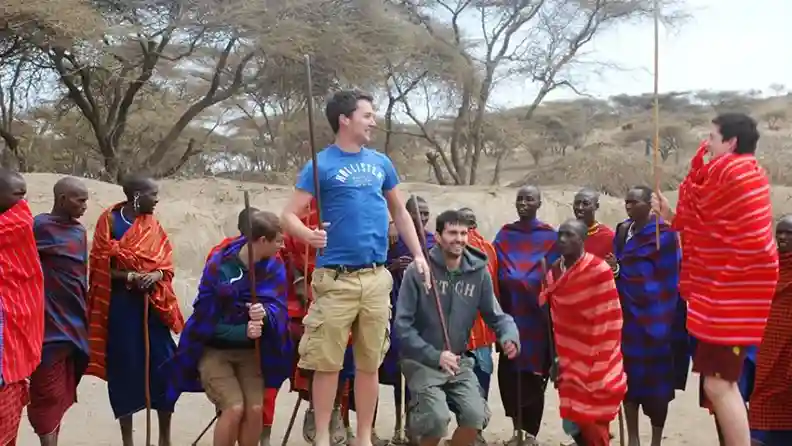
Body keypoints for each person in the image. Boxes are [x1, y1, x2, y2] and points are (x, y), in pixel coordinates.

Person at [280, 89, 429, 446]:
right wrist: (309, 235)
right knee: (327, 363)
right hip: (335, 279)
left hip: (376, 277)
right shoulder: (320, 165)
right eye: (367, 115)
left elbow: (400, 213)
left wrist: (420, 254)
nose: (373, 121)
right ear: (345, 119)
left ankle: (363, 437)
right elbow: (287, 215)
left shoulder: (381, 163)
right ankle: (322, 439)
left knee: (369, 363)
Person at [653, 113, 778, 446]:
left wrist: (689, 195)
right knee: (719, 385)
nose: (706, 145)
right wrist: (672, 216)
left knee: (719, 385)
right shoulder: (745, 174)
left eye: (711, 137)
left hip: (732, 298)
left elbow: (709, 218)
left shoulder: (733, 172)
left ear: (731, 143)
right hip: (730, 296)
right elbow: (709, 225)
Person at [394, 209, 521, 446]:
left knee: (476, 416)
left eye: (463, 233)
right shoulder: (418, 270)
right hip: (422, 360)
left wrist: (508, 335)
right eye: (452, 233)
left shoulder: (478, 272)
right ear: (439, 236)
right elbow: (402, 326)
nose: (459, 239)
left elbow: (497, 315)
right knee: (437, 418)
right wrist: (434, 355)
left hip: (458, 360)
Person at [165, 210, 292, 446]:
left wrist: (265, 315)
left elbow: (279, 309)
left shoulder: (274, 267)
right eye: (278, 241)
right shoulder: (220, 266)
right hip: (214, 353)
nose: (283, 246)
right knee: (234, 408)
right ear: (262, 241)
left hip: (250, 354)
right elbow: (205, 321)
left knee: (255, 409)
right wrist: (241, 331)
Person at [85, 175, 185, 446]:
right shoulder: (110, 222)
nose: (157, 200)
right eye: (152, 194)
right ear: (137, 195)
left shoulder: (153, 225)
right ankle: (127, 440)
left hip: (153, 307)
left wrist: (157, 275)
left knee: (164, 365)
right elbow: (100, 267)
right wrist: (130, 277)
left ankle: (164, 438)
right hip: (122, 308)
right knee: (124, 368)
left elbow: (166, 263)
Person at [539, 219, 626, 446]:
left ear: (583, 240)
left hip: (598, 357)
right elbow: (554, 318)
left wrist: (599, 357)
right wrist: (555, 357)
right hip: (568, 357)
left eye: (570, 236)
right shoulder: (554, 272)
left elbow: (611, 317)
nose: (562, 240)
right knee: (572, 420)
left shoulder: (599, 271)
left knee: (592, 417)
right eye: (560, 235)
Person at [609, 185, 683, 446]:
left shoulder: (664, 235)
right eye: (626, 202)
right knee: (627, 381)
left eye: (634, 203)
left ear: (650, 204)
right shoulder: (621, 230)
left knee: (656, 388)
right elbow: (616, 267)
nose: (628, 207)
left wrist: (622, 272)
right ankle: (632, 438)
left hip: (655, 322)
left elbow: (666, 280)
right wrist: (615, 271)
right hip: (626, 321)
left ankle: (655, 440)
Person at [492, 186, 560, 446]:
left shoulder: (550, 237)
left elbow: (558, 271)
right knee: (511, 374)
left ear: (539, 203)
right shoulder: (506, 234)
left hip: (538, 320)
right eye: (520, 199)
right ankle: (516, 429)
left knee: (533, 375)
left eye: (529, 199)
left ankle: (530, 433)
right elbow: (492, 262)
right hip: (510, 315)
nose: (523, 203)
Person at [28, 177, 91, 446]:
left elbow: (81, 277)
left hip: (74, 321)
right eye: (80, 200)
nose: (85, 206)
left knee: (60, 390)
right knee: (46, 393)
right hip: (46, 322)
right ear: (62, 199)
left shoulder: (79, 232)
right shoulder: (38, 227)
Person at [381, 195, 435, 445]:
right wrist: (392, 266)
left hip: (420, 313)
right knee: (395, 373)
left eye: (425, 213)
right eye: (416, 213)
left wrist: (415, 265)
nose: (421, 217)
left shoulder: (433, 241)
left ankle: (414, 427)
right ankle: (397, 426)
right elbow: (378, 263)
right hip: (393, 305)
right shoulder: (392, 238)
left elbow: (438, 271)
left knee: (417, 373)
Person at [0, 170, 45, 446]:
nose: (23, 200)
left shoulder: (18, 222)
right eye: (17, 193)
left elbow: (24, 280)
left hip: (9, 334)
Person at [748, 214, 792, 446]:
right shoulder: (769, 268)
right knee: (761, 412)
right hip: (767, 354)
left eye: (789, 234)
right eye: (780, 233)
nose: (783, 237)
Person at [457, 207, 498, 404]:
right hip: (477, 329)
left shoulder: (449, 250)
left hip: (468, 328)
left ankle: (472, 427)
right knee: (478, 377)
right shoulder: (488, 249)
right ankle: (476, 429)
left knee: (465, 379)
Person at [572, 188, 614, 259]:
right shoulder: (565, 234)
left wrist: (615, 267)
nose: (580, 208)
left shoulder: (608, 237)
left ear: (596, 206)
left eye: (586, 204)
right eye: (577, 203)